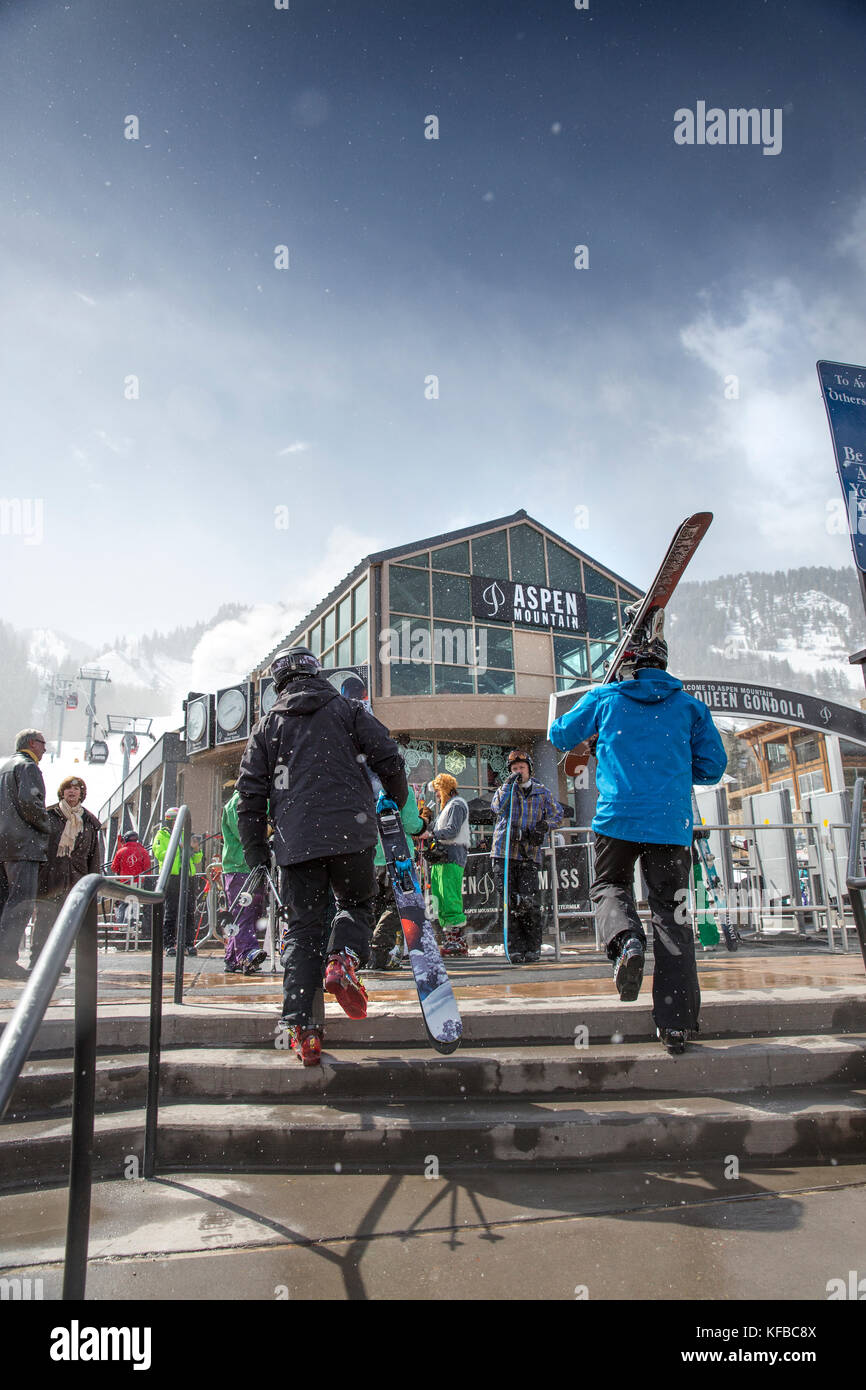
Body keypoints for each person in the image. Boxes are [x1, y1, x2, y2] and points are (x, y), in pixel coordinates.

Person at [549, 627, 727, 1053]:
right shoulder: (690, 708)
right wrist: (676, 771)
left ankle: (626, 940)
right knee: (673, 917)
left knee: (609, 886)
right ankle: (676, 1023)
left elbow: (558, 736)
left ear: (629, 665)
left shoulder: (606, 699)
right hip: (670, 824)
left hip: (617, 819)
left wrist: (598, 724)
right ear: (664, 665)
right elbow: (713, 767)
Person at [236, 645, 408, 1066]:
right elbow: (388, 755)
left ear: (279, 682)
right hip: (352, 832)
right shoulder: (349, 710)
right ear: (318, 672)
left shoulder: (266, 727)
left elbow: (250, 794)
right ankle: (344, 959)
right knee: (354, 904)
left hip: (297, 843)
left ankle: (303, 1029)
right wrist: (394, 799)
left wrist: (256, 851)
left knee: (303, 930)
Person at [489, 750, 564, 964]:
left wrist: (543, 827)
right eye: (514, 769)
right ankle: (514, 948)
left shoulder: (542, 792)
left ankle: (533, 947)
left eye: (521, 768)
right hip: (504, 854)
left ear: (529, 769)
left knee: (528, 902)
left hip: (529, 854)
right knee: (509, 902)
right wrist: (507, 785)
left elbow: (557, 815)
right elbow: (497, 807)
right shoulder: (506, 790)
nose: (518, 771)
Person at [31, 775, 102, 969]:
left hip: (76, 879)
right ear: (62, 792)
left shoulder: (89, 822)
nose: (72, 792)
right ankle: (37, 959)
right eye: (68, 789)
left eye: (77, 788)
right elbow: (39, 846)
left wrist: (93, 883)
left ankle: (58, 962)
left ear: (82, 793)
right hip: (50, 877)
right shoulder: (49, 816)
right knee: (45, 921)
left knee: (66, 924)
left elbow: (93, 856)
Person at [0, 729, 50, 980]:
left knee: (5, 904)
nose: (45, 748)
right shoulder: (28, 767)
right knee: (20, 904)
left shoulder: (5, 767)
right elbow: (31, 804)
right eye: (43, 743)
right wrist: (46, 826)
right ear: (32, 743)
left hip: (4, 847)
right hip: (23, 846)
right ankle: (6, 960)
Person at [367, 785, 425, 970]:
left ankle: (368, 952)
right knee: (398, 906)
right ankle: (379, 949)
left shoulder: (367, 786)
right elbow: (410, 824)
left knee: (375, 906)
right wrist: (423, 822)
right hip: (398, 855)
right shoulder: (402, 788)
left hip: (372, 855)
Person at [422, 773, 471, 957]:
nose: (436, 795)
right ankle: (450, 937)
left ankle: (457, 939)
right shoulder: (446, 807)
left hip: (452, 853)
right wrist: (426, 824)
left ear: (444, 789)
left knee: (449, 895)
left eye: (437, 791)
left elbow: (452, 830)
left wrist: (432, 834)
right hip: (442, 856)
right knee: (440, 896)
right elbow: (438, 828)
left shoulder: (457, 805)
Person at [220, 786, 267, 975]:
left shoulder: (250, 801)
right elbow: (245, 833)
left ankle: (233, 957)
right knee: (242, 912)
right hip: (239, 866)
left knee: (249, 913)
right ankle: (247, 953)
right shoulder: (237, 804)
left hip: (250, 866)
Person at [151, 807, 203, 956]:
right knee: (171, 910)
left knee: (189, 911)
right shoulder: (162, 835)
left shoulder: (185, 835)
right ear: (169, 822)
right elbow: (160, 854)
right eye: (174, 821)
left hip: (188, 876)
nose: (176, 824)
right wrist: (177, 847)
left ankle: (188, 943)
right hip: (172, 876)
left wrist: (196, 848)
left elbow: (197, 859)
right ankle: (169, 943)